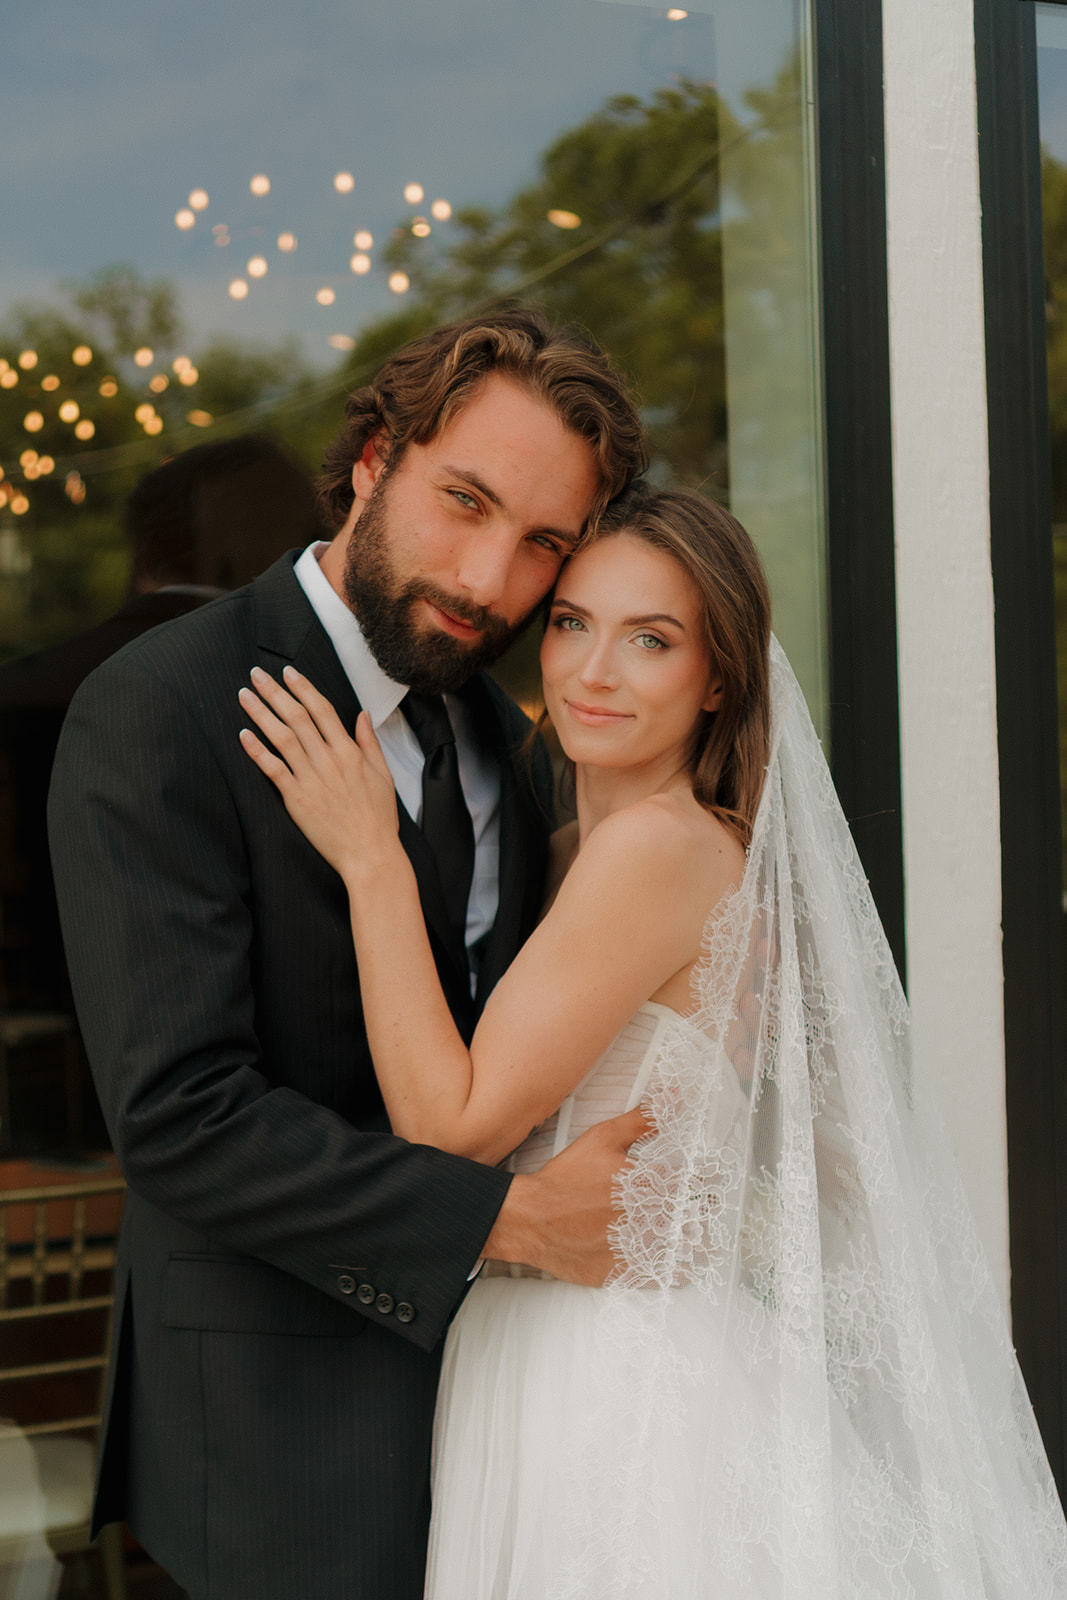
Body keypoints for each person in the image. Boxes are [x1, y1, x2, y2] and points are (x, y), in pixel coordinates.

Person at [241, 482, 1067, 1597]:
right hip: (559, 1349)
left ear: (717, 677)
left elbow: (451, 1126)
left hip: (617, 1382)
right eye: (573, 622)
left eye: (651, 639)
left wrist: (371, 859)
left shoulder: (660, 849)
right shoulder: (587, 841)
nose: (590, 669)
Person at [46, 310, 648, 1599]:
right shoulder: (162, 706)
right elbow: (180, 1116)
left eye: (542, 543)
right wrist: (514, 1222)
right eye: (464, 502)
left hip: (518, 1398)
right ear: (374, 457)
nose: (490, 580)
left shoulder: (513, 730)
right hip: (284, 1416)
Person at [0, 435, 318, 1154]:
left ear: (143, 552)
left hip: (40, 1066)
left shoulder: (23, 692)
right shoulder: (316, 700)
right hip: (265, 1122)